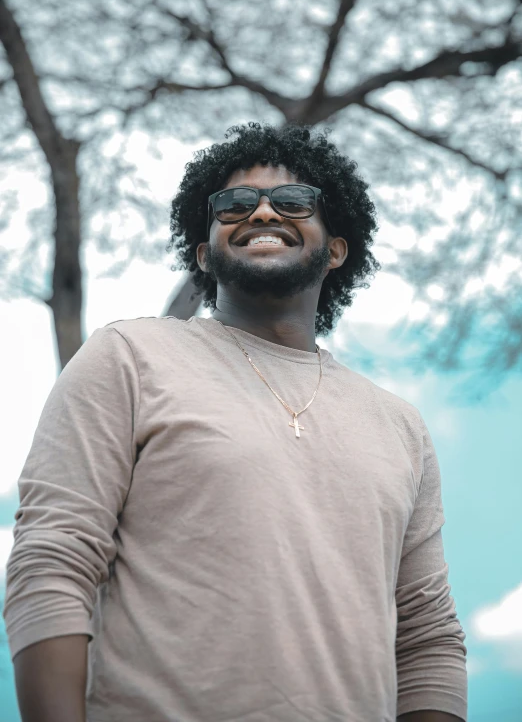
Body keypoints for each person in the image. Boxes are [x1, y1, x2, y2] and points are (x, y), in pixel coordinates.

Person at [4, 122, 467, 722]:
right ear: (204, 252)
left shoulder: (401, 427)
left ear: (335, 249)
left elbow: (427, 639)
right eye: (234, 204)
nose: (264, 212)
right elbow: (53, 558)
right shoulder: (130, 357)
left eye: (295, 201)